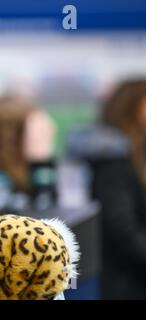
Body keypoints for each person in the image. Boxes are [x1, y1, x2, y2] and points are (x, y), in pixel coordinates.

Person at [68, 80, 146, 299]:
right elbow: (122, 229)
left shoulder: (134, 155)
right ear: (131, 108)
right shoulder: (113, 160)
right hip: (125, 282)